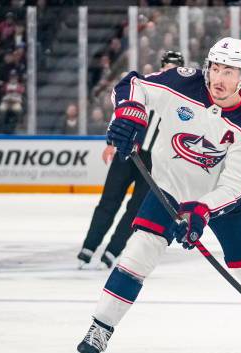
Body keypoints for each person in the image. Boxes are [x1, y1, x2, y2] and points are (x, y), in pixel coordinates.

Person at [76, 37, 241, 353]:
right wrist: (127, 115)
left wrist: (201, 210)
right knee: (138, 253)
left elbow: (235, 185)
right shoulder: (181, 82)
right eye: (215, 68)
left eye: (229, 72)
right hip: (168, 190)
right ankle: (100, 327)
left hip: (224, 205)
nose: (219, 79)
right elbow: (132, 84)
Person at [77, 51, 185, 270]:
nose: (170, 70)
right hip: (129, 151)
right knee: (109, 199)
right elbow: (124, 108)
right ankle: (89, 247)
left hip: (156, 162)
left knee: (135, 209)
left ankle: (113, 251)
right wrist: (111, 140)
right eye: (167, 66)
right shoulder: (146, 83)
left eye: (175, 67)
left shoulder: (185, 98)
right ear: (161, 65)